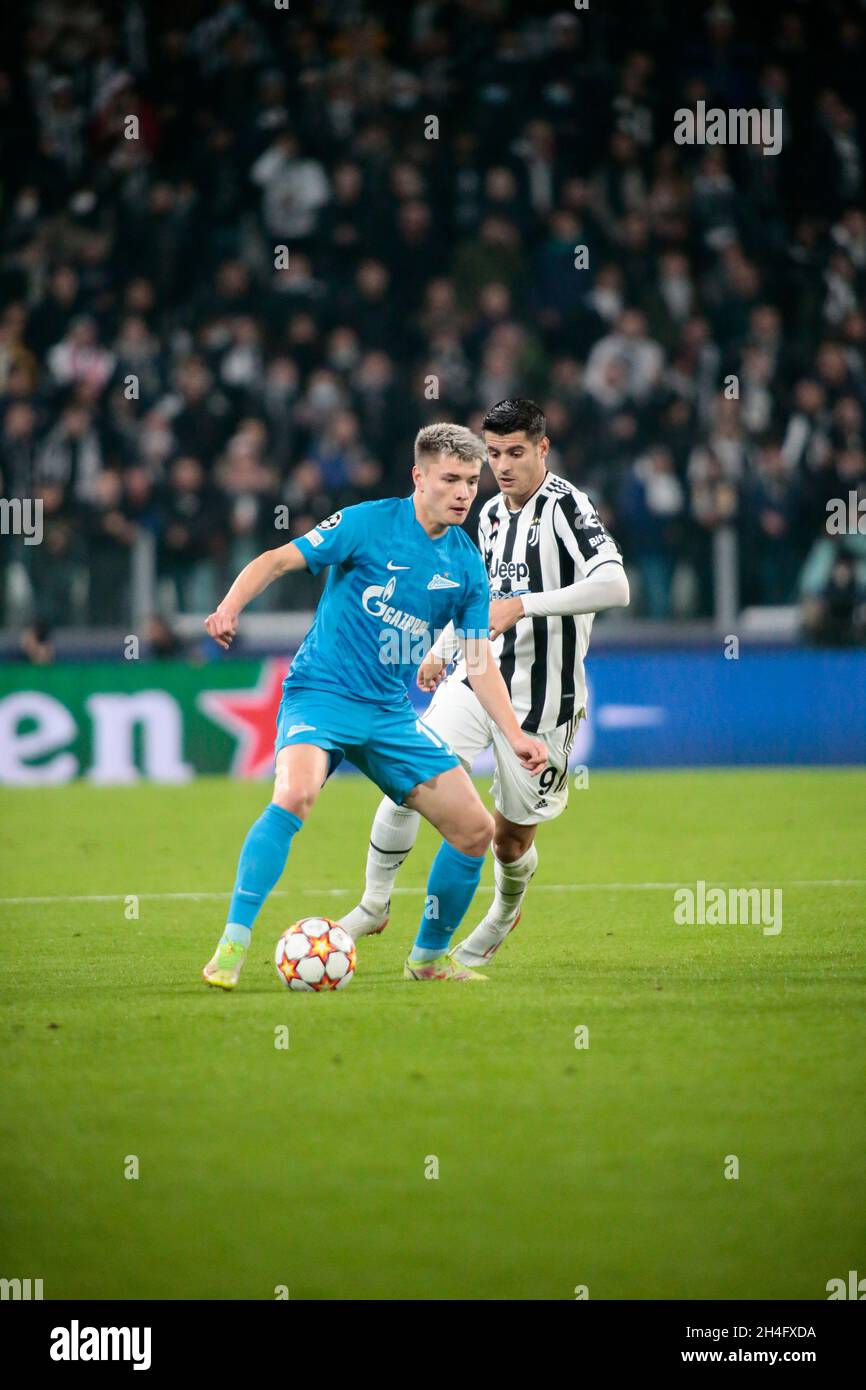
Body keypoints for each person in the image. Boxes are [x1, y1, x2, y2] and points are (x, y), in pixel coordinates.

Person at [201, 422, 547, 988]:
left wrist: (514, 736)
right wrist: (228, 607)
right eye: (451, 480)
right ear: (419, 477)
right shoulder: (366, 523)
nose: (464, 492)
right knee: (294, 794)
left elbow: (479, 661)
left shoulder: (465, 564)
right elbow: (275, 559)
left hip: (388, 714)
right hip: (322, 693)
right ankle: (231, 948)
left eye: (471, 481)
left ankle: (428, 958)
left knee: (474, 830)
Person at [340, 399, 629, 966]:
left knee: (510, 840)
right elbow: (480, 596)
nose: (502, 464)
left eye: (515, 452)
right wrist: (444, 646)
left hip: (545, 703)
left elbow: (616, 587)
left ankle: (502, 911)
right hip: (479, 680)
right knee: (407, 778)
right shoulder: (491, 514)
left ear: (543, 448)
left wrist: (526, 605)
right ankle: (374, 903)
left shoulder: (568, 508)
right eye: (493, 453)